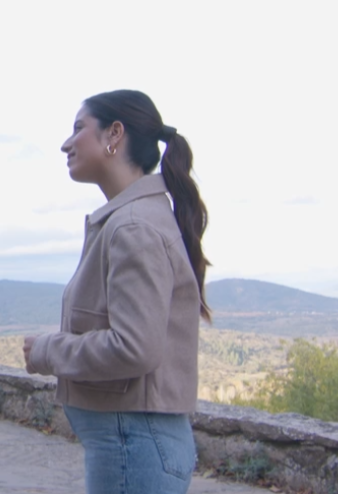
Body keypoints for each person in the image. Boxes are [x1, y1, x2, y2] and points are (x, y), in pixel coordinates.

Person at [23, 89, 211, 494]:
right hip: (133, 443)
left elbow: (134, 347)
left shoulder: (133, 227)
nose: (66, 143)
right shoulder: (131, 220)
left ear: (114, 135)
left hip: (133, 444)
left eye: (78, 128)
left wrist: (47, 350)